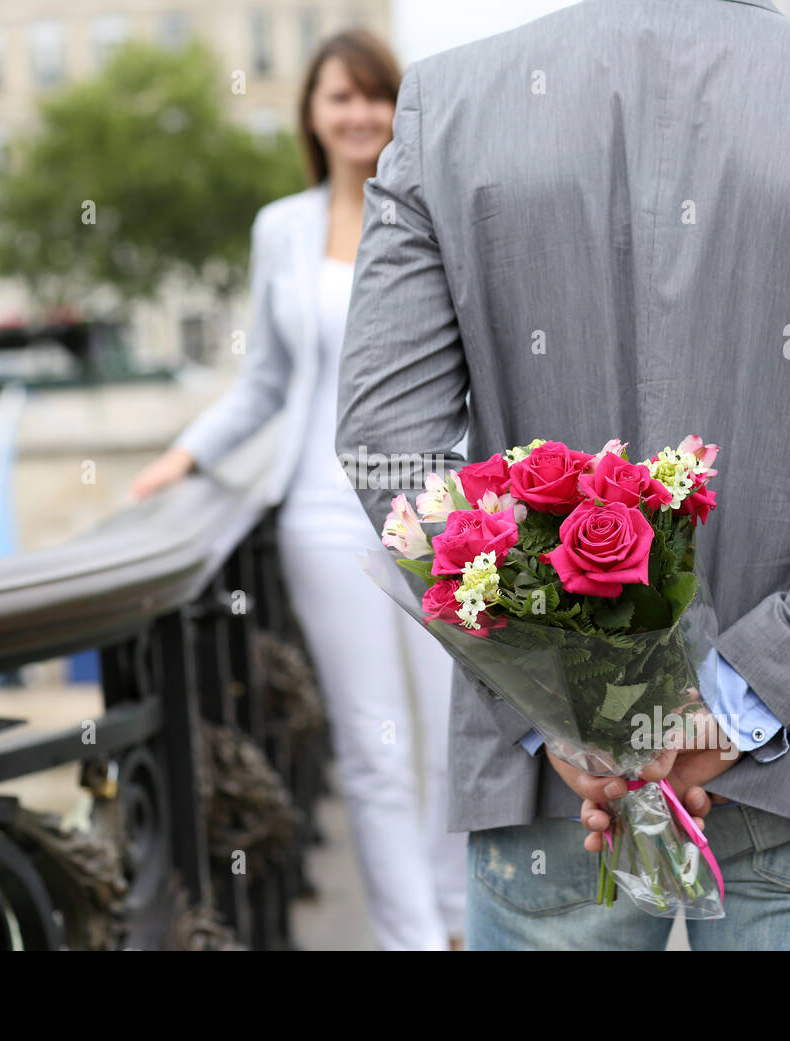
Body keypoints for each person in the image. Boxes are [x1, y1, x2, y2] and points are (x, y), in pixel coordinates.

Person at [335, 0, 790, 950]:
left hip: (557, 788)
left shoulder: (448, 107)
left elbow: (388, 446)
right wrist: (741, 695)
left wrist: (567, 708)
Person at [129, 30, 467, 951]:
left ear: (397, 108)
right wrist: (185, 457)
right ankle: (411, 938)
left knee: (452, 732)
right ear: (312, 115)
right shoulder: (281, 227)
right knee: (372, 744)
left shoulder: (437, 207)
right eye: (338, 98)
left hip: (436, 508)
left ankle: (463, 920)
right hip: (318, 512)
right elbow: (266, 384)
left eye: (373, 97)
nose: (357, 115)